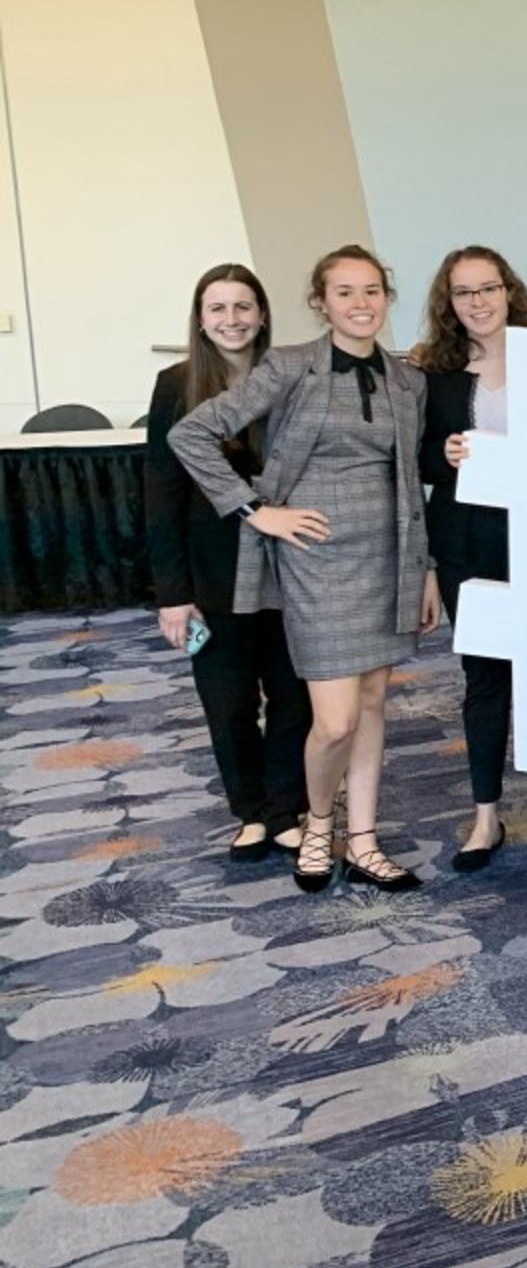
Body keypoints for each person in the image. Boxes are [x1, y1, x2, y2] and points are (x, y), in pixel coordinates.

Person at [169, 245, 441, 894]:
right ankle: (320, 824)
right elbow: (191, 435)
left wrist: (425, 567)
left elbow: (409, 480)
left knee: (374, 704)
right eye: (344, 292)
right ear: (321, 302)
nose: (360, 304)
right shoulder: (289, 366)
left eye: (372, 291)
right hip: (316, 563)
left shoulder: (408, 380)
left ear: (386, 298)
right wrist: (256, 510)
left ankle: (365, 841)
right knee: (336, 719)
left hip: (388, 561)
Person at [416, 245, 527, 869]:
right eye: (464, 293)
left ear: (509, 292)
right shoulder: (432, 372)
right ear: (449, 304)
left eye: (488, 289)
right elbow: (418, 462)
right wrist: (448, 454)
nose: (478, 302)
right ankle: (485, 814)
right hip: (467, 544)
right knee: (485, 680)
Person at [144, 265, 307, 864]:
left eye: (244, 307)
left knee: (294, 696)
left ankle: (287, 807)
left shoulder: (292, 377)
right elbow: (161, 492)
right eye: (219, 309)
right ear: (201, 317)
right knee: (228, 701)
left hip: (292, 566)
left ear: (263, 314)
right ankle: (251, 812)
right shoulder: (176, 384)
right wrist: (172, 594)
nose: (232, 320)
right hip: (210, 575)